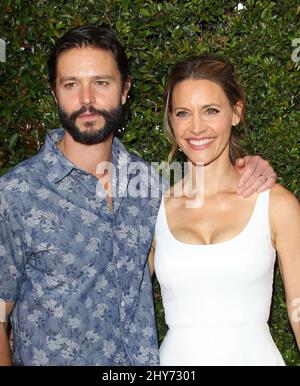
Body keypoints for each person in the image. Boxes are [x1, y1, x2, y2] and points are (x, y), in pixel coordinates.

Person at [0, 25, 277, 366]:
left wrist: (250, 167)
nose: (86, 99)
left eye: (101, 83)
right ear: (56, 94)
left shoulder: (153, 189)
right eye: (71, 84)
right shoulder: (17, 194)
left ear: (124, 90)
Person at [150, 55, 300, 366]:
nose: (196, 128)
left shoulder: (276, 204)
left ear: (236, 112)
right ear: (171, 119)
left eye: (211, 111)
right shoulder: (152, 209)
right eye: (182, 113)